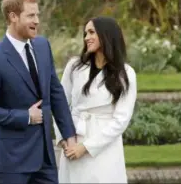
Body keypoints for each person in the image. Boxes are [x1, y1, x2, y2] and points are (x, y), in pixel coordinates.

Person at [0, 0, 76, 184]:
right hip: (12, 162)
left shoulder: (43, 46)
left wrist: (68, 134)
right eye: (31, 15)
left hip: (45, 159)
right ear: (13, 17)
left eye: (37, 15)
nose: (37, 20)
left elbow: (55, 93)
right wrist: (26, 117)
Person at [53, 16, 137, 183]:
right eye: (85, 33)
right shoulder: (74, 66)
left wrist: (85, 147)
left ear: (106, 35)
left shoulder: (126, 74)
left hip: (103, 146)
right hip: (73, 139)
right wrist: (63, 138)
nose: (86, 38)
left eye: (91, 32)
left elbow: (121, 120)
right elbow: (59, 102)